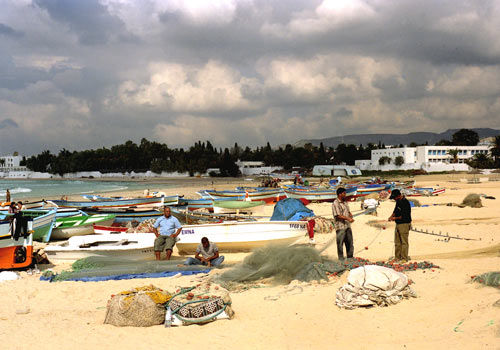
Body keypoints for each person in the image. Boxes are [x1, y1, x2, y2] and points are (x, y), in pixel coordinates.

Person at [388, 189, 412, 263]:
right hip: (398, 224)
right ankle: (397, 257)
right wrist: (391, 216)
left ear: (398, 196)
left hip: (404, 223)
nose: (394, 199)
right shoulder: (398, 201)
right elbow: (395, 210)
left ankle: (404, 258)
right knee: (397, 242)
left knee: (404, 242)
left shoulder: (405, 202)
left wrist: (394, 218)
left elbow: (404, 216)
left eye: (395, 198)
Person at [332, 187, 354, 260]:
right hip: (340, 227)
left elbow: (347, 211)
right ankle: (341, 259)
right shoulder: (335, 203)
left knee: (350, 243)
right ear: (339, 194)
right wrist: (348, 218)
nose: (345, 194)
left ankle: (350, 258)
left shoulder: (345, 202)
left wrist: (350, 214)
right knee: (340, 244)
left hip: (347, 226)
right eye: (344, 193)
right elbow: (338, 215)